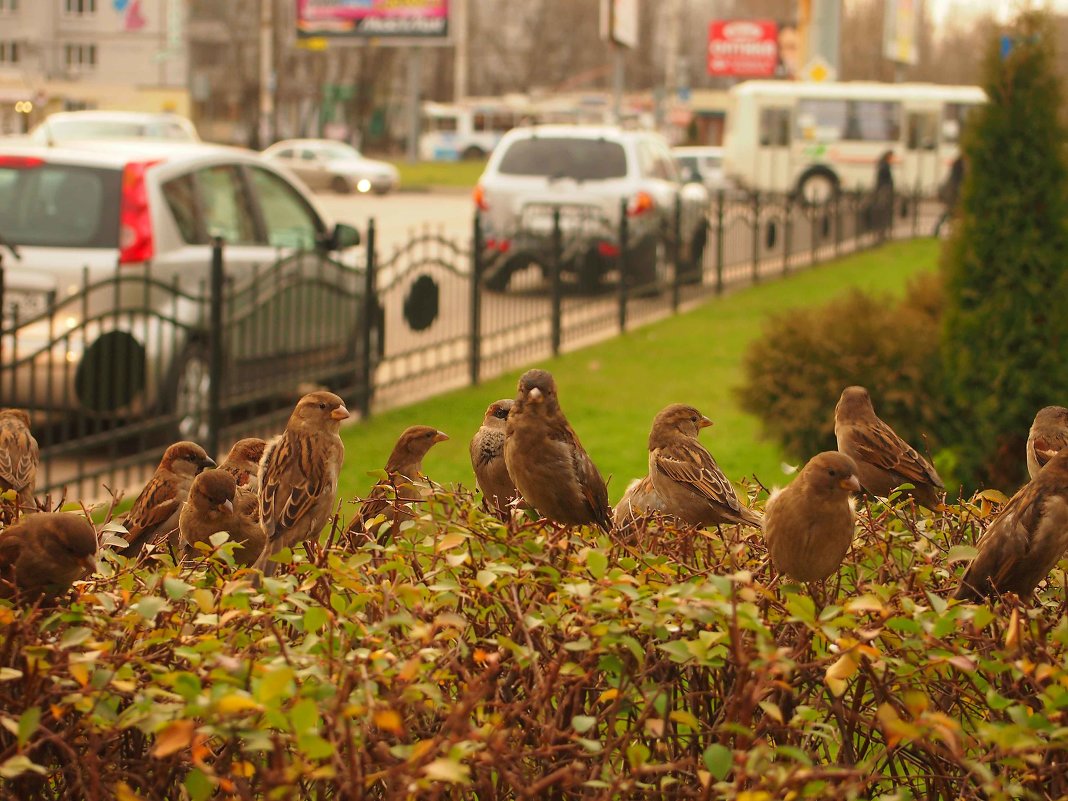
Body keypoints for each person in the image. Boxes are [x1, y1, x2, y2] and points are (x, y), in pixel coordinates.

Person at [933, 155, 965, 238]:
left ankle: (938, 230)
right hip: (954, 193)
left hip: (953, 192)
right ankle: (938, 230)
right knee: (950, 212)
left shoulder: (959, 163)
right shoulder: (960, 164)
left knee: (950, 213)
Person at [870, 150, 895, 242]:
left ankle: (881, 231)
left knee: (883, 211)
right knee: (883, 210)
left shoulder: (883, 165)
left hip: (883, 190)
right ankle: (881, 232)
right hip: (884, 190)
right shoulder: (884, 166)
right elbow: (885, 180)